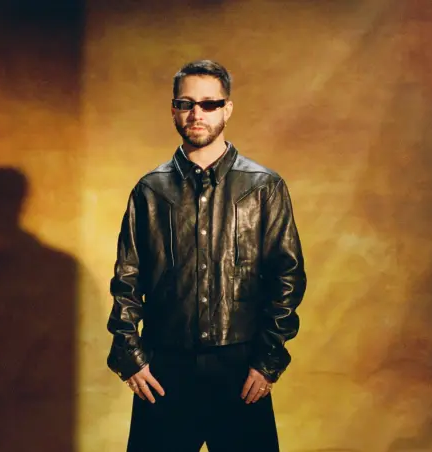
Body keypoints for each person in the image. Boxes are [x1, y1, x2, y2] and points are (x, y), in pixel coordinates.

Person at [105, 59, 307, 451]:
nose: (197, 113)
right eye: (186, 103)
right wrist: (129, 355)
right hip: (164, 369)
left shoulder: (263, 187)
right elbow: (127, 278)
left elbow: (287, 277)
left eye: (209, 104)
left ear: (227, 109)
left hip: (240, 368)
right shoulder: (150, 190)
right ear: (174, 110)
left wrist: (267, 361)